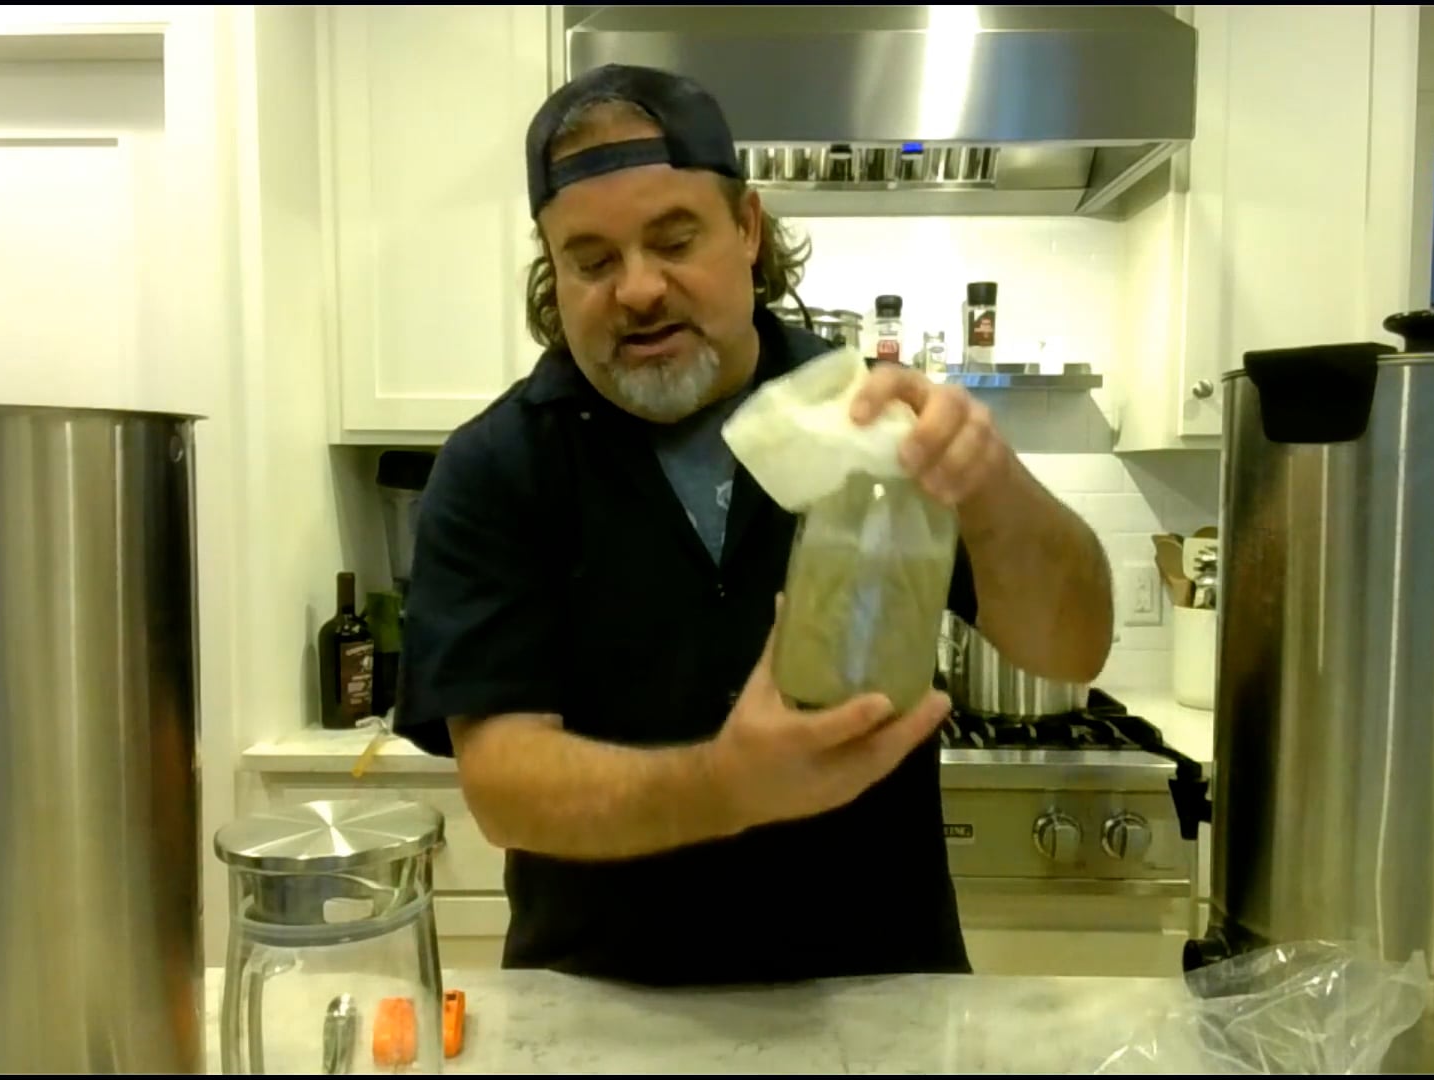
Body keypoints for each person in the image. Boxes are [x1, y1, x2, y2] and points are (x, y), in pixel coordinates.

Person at [395, 63, 1118, 987]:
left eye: (674, 237)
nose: (639, 289)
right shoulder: (500, 466)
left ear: (746, 229)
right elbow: (504, 786)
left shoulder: (871, 415)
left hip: (877, 999)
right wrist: (726, 787)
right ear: (554, 269)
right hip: (603, 1015)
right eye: (593, 259)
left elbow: (1071, 647)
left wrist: (995, 483)